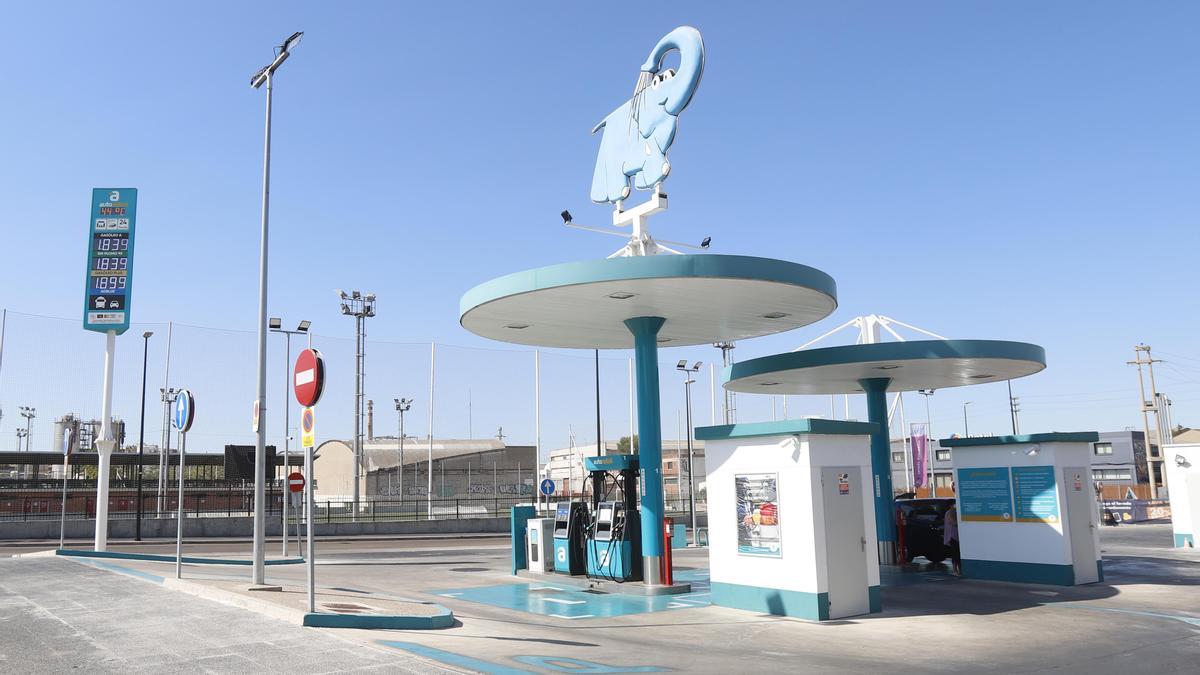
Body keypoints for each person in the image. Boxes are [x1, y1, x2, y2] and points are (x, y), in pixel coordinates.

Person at [943, 501, 961, 576]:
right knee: (955, 553)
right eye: (954, 504)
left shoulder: (953, 512)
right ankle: (955, 570)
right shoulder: (949, 512)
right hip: (952, 536)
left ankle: (958, 570)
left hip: (955, 535)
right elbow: (953, 523)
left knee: (957, 553)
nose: (955, 505)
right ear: (950, 505)